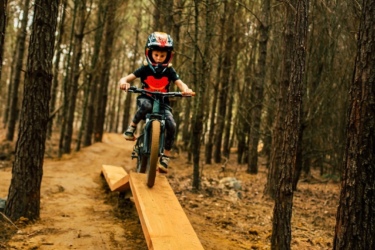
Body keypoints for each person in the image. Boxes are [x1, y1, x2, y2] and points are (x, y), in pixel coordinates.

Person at [119, 32, 193, 173]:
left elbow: (179, 83)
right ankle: (131, 127)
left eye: (162, 56)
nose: (159, 59)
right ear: (149, 53)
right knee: (146, 106)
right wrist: (123, 82)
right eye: (156, 55)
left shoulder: (169, 70)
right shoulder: (145, 68)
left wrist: (186, 89)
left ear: (168, 56)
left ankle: (165, 157)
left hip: (163, 101)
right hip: (146, 97)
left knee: (171, 124)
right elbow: (126, 78)